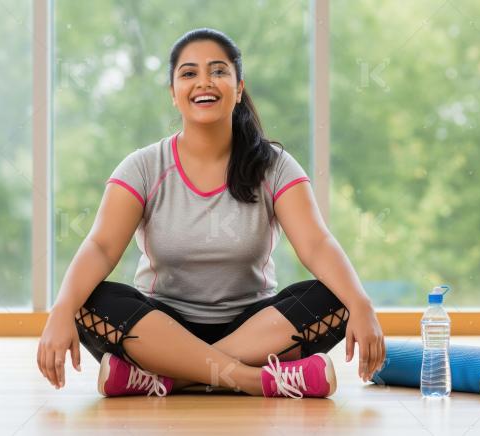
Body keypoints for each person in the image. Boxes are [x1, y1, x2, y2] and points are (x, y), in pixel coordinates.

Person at [36, 28, 385, 398]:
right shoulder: (142, 167)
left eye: (218, 71)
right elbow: (102, 247)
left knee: (335, 296)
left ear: (238, 88)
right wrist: (60, 309)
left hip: (254, 326)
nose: (204, 82)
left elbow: (316, 244)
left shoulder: (275, 166)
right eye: (189, 73)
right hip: (161, 325)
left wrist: (361, 303)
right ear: (173, 93)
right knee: (86, 298)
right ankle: (255, 380)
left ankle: (168, 377)